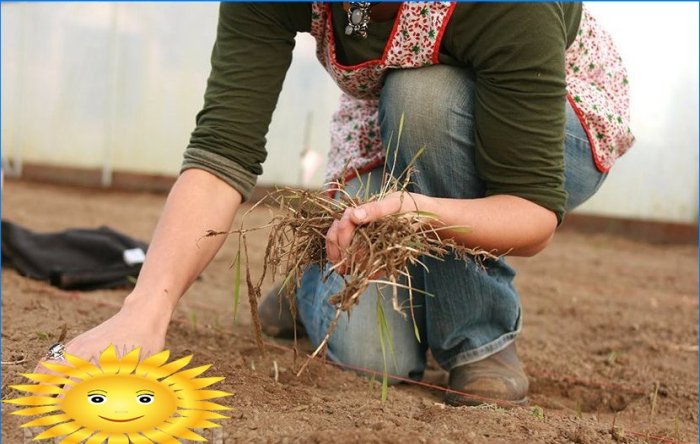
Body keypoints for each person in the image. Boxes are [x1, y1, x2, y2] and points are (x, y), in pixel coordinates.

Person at [37, 2, 633, 407]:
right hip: (394, 128)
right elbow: (223, 153)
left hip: (554, 129)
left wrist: (417, 213)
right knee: (376, 355)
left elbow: (530, 213)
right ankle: (309, 287)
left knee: (424, 94)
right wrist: (147, 309)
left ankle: (477, 339)